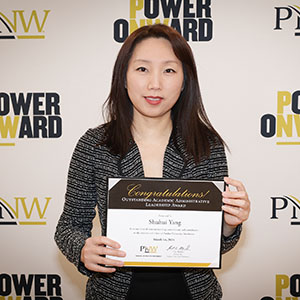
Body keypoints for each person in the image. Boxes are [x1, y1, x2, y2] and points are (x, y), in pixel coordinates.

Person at [54, 24, 250, 300]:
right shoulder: (95, 145)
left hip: (193, 293)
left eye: (169, 70)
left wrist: (229, 225)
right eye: (142, 69)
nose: (154, 84)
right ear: (123, 77)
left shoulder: (206, 145)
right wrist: (83, 249)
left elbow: (214, 246)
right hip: (113, 291)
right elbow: (69, 227)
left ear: (185, 81)